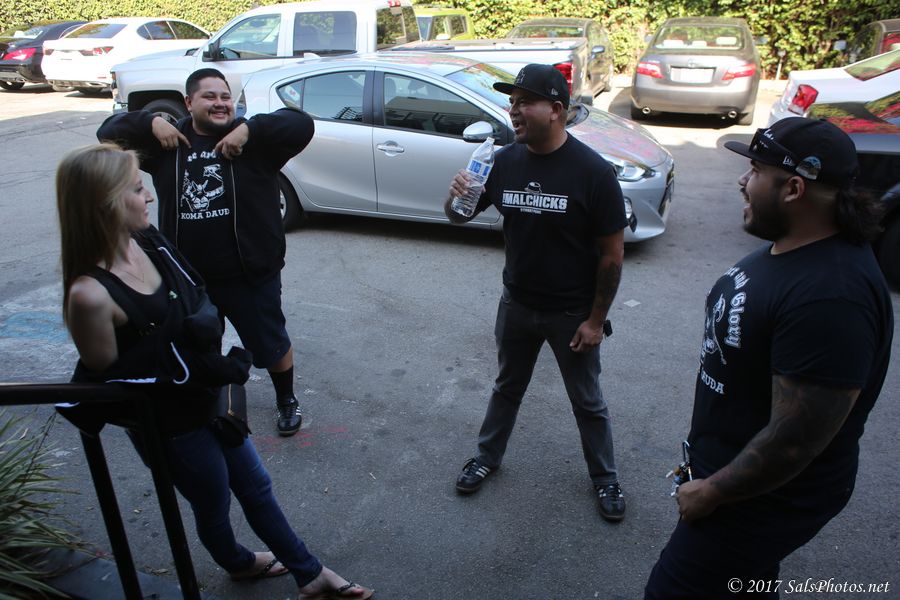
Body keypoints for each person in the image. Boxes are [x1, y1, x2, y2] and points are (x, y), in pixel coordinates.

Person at [57, 143, 374, 600]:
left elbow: (194, 294)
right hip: (171, 426)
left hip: (208, 394)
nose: (149, 196)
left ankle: (311, 574)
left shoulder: (147, 240)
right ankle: (237, 562)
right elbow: (110, 379)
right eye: (136, 189)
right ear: (104, 203)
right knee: (214, 503)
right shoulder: (89, 294)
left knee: (256, 486)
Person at [645, 118, 893, 599]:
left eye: (756, 170)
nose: (743, 180)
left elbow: (796, 440)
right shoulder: (797, 248)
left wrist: (712, 491)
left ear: (795, 189)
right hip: (736, 478)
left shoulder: (831, 297)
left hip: (756, 500)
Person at [445, 64, 628, 522]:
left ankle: (605, 478)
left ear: (556, 110)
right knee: (507, 387)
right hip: (517, 305)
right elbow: (459, 216)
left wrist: (594, 321)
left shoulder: (593, 172)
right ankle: (487, 457)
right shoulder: (504, 161)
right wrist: (455, 196)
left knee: (587, 401)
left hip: (572, 313)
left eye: (525, 102)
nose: (514, 110)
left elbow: (612, 256)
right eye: (512, 102)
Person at [97, 68, 313, 437]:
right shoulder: (167, 145)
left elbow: (300, 123)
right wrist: (150, 121)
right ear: (189, 102)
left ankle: (286, 398)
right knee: (199, 346)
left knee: (270, 344)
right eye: (209, 96)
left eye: (225, 96)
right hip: (190, 278)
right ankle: (209, 404)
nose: (220, 103)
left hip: (249, 273)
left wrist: (249, 129)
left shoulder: (256, 143)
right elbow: (108, 133)